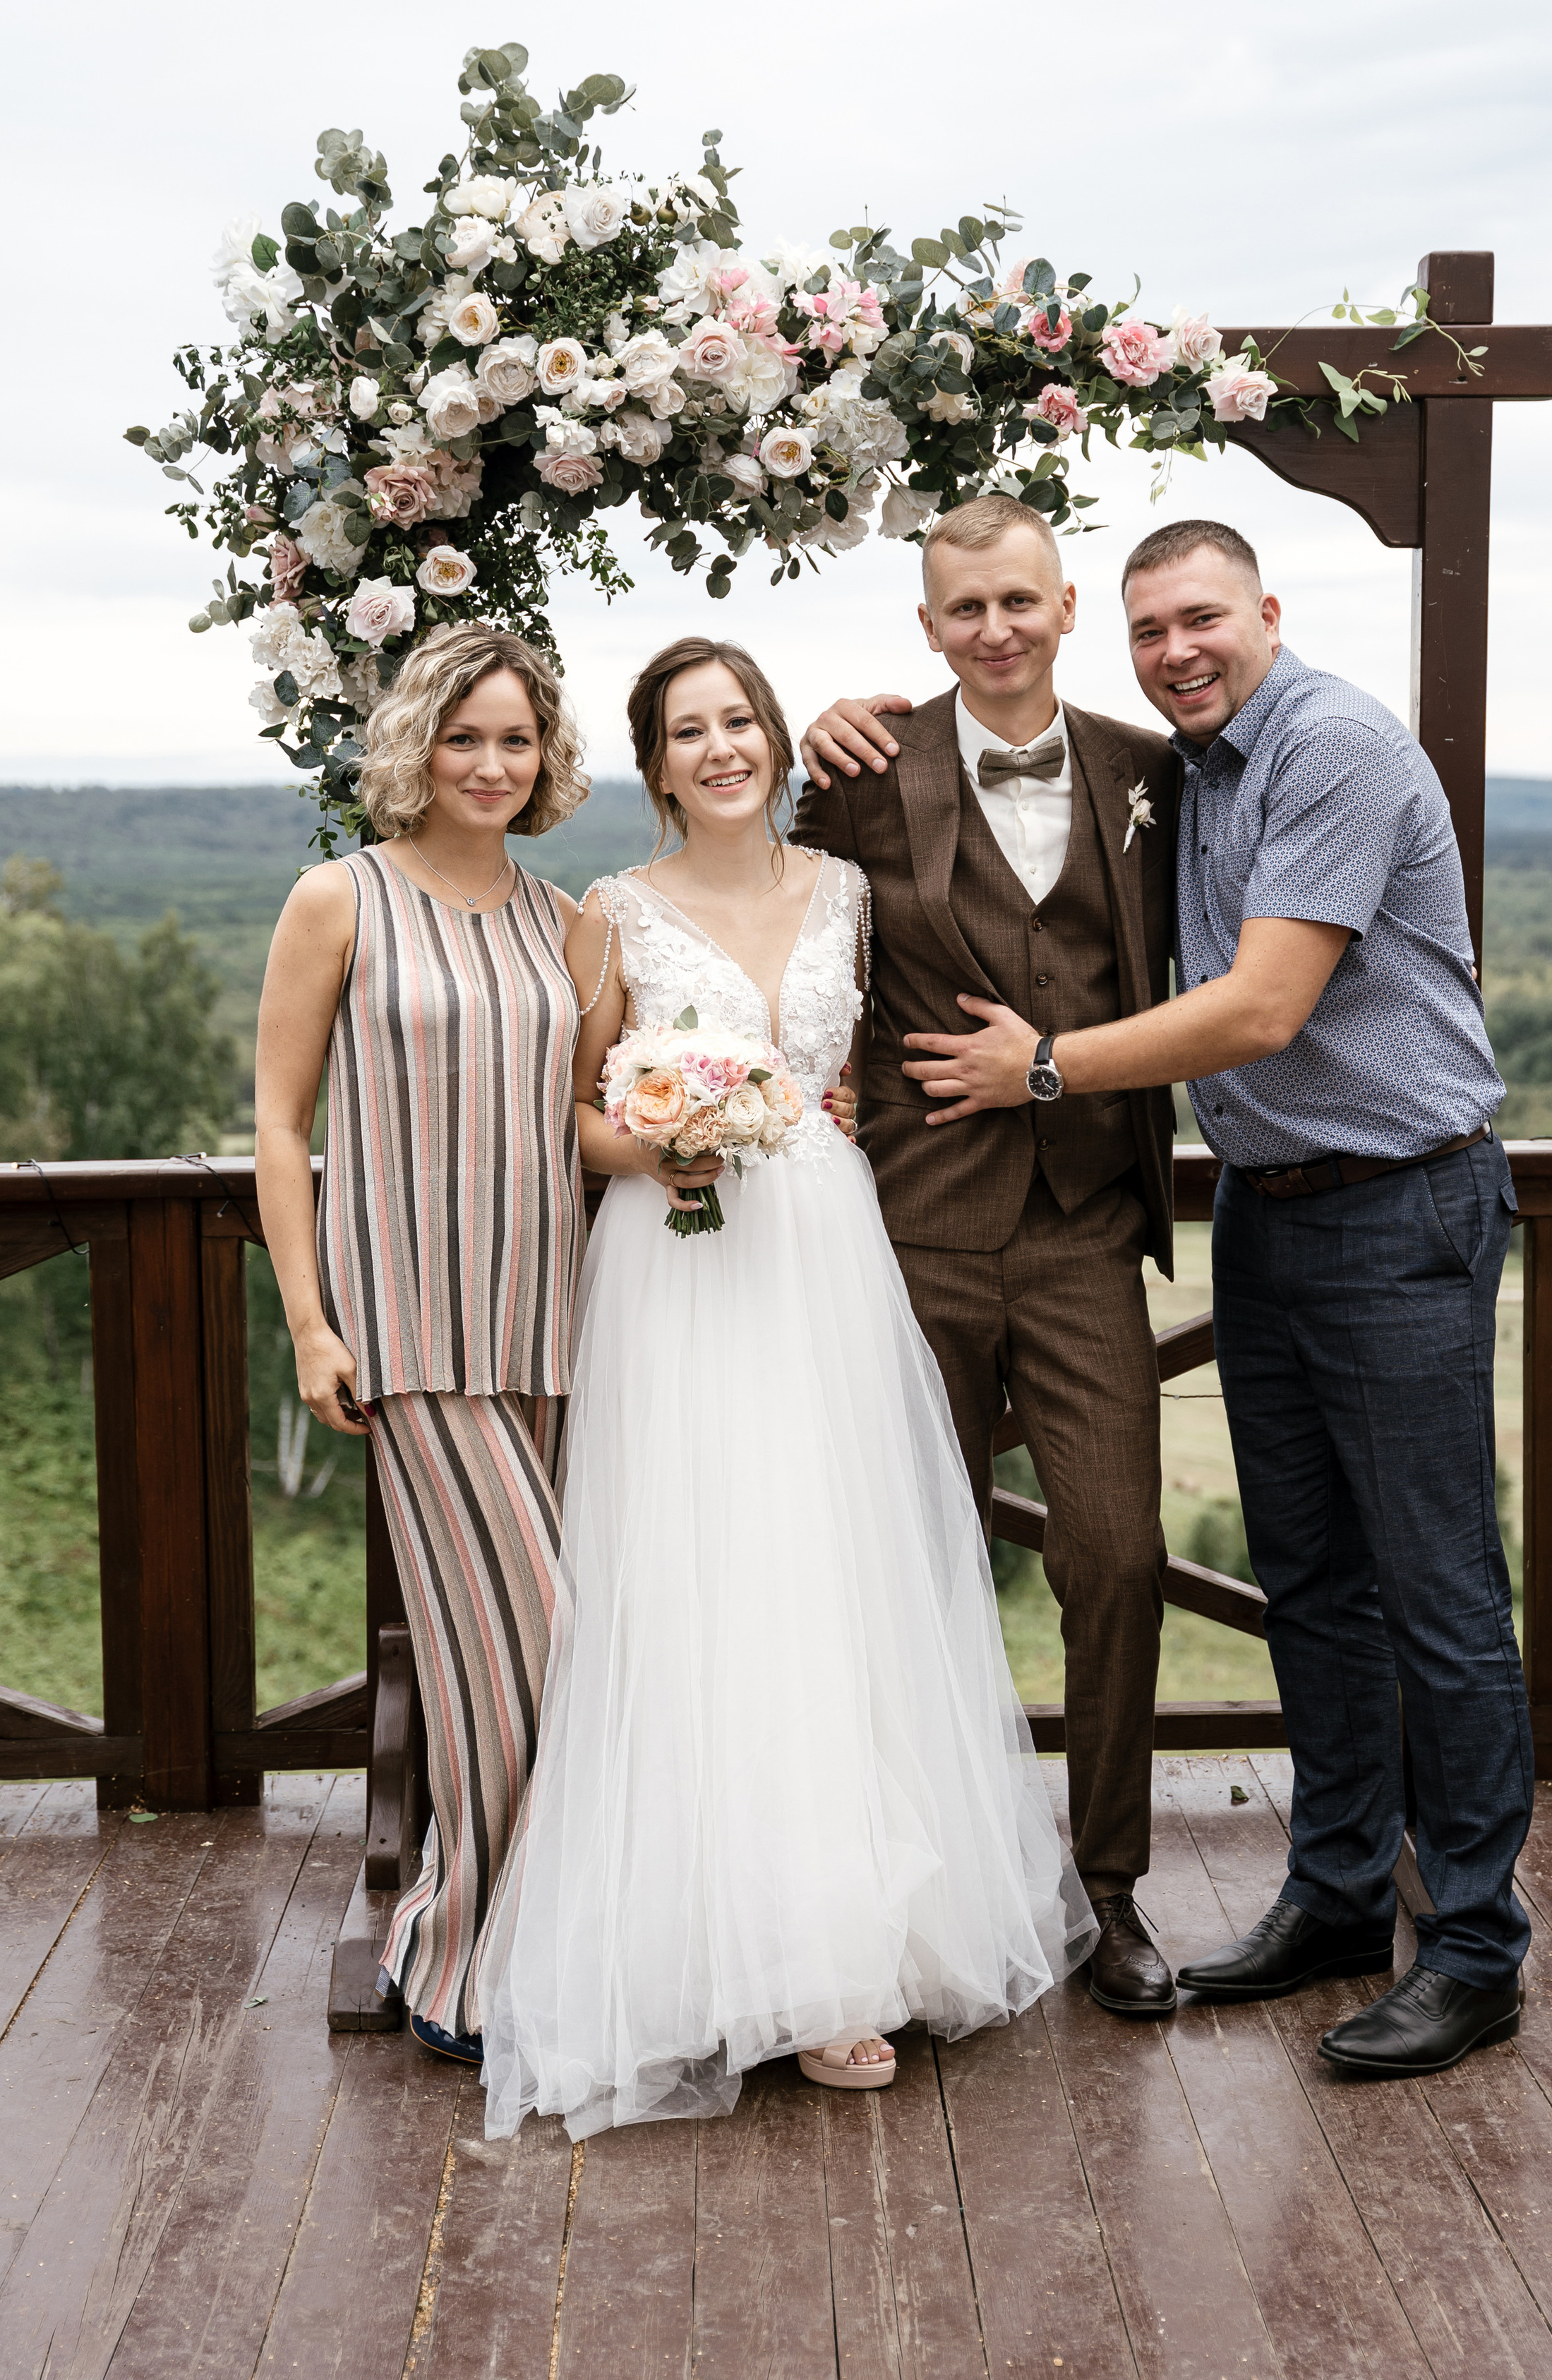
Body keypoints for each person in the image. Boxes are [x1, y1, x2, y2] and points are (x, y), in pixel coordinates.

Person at [890, 518, 1532, 2080]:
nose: (1176, 651)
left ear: (1265, 611)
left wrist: (1034, 1068)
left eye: (1201, 621)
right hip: (1263, 1213)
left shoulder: (1332, 748)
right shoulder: (1190, 769)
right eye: (1150, 631)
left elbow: (1255, 1006)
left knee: (1437, 1597)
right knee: (1309, 1583)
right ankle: (1328, 1897)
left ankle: (1470, 1945)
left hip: (1397, 1207)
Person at [474, 635, 1092, 2139]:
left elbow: (870, 1074)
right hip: (677, 1267)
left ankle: (844, 1953)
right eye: (687, 731)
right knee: (696, 1582)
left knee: (831, 1573)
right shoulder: (607, 917)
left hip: (824, 1251)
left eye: (739, 719)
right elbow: (570, 1109)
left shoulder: (851, 896)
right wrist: (662, 1141)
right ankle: (707, 1948)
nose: (720, 748)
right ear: (655, 761)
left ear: (773, 740)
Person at [793, 491, 1182, 2017]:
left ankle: (1107, 1889)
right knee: (907, 1571)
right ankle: (916, 1894)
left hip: (1086, 1229)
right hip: (908, 1230)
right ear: (926, 628)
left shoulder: (1152, 772)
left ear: (1066, 605)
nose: (996, 630)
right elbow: (774, 929)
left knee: (1117, 1557)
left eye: (1019, 602)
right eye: (966, 610)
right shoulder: (862, 773)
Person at [255, 623, 591, 2066]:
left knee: (509, 1663)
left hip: (556, 1329)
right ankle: (457, 1955)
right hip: (412, 1334)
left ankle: (524, 1940)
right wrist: (309, 1322)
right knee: (534, 1648)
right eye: (467, 738)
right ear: (418, 745)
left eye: (516, 740)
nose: (492, 764)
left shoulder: (563, 917)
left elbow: (591, 1115)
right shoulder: (340, 898)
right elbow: (278, 1122)